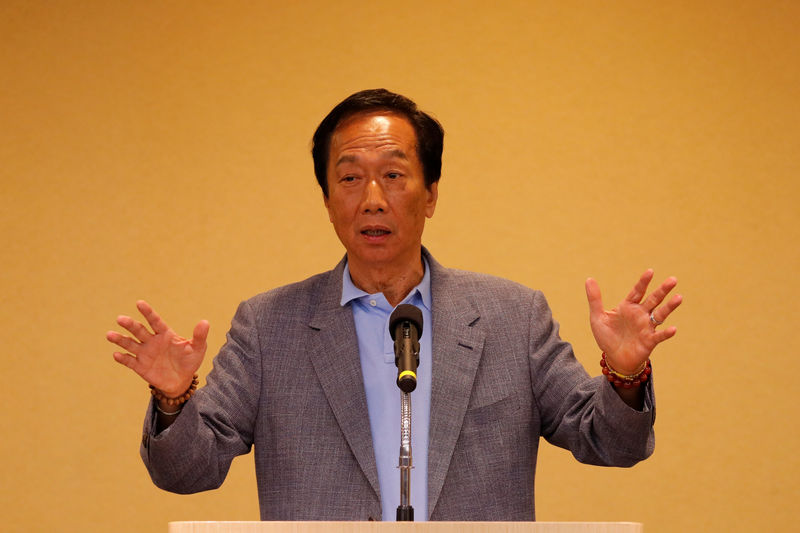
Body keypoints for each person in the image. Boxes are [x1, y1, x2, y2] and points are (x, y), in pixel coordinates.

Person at [106, 89, 682, 521]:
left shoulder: (512, 316)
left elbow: (610, 443)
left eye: (394, 175)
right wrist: (174, 397)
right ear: (327, 199)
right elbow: (187, 472)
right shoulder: (269, 326)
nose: (373, 199)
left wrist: (626, 376)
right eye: (350, 178)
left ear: (430, 194)